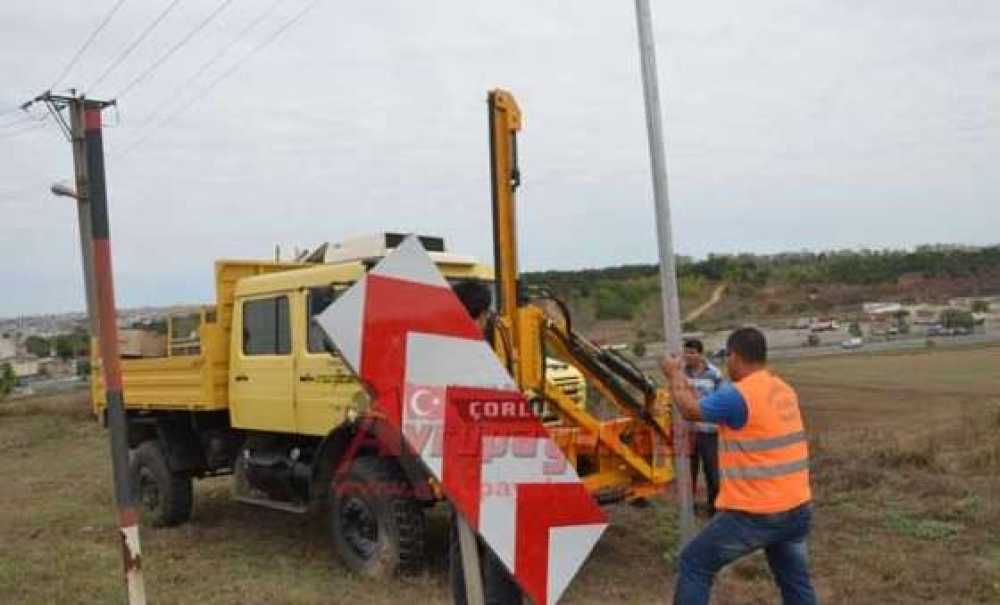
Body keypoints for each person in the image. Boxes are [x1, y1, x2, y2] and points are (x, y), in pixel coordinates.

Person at [661, 327, 817, 605]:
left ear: (734, 356)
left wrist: (674, 374)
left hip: (756, 513)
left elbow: (691, 410)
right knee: (795, 582)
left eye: (727, 357)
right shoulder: (783, 389)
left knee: (694, 563)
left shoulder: (739, 395)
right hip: (797, 507)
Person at [683, 338, 724, 517]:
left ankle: (714, 509)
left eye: (692, 352)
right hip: (688, 433)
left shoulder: (714, 374)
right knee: (688, 474)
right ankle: (688, 510)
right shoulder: (681, 374)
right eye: (686, 352)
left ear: (700, 354)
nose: (688, 356)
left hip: (709, 433)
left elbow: (722, 400)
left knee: (712, 473)